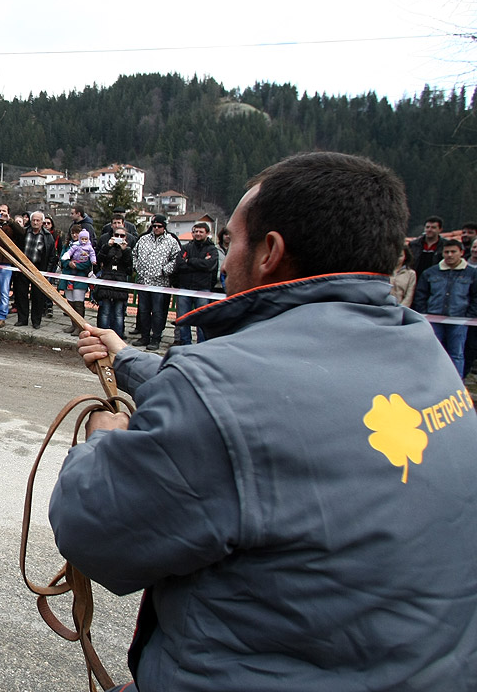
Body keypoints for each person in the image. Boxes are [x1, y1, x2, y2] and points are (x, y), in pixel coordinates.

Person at [53, 152, 477, 692]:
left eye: (231, 242)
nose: (225, 261)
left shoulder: (222, 386)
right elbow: (262, 414)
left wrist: (101, 442)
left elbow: (93, 529)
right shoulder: (424, 351)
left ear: (270, 252)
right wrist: (127, 358)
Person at [413, 238, 477, 378]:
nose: (449, 255)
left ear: (461, 252)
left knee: (457, 354)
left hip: (459, 320)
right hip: (433, 319)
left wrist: (468, 316)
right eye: (446, 252)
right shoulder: (430, 272)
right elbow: (421, 294)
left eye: (453, 252)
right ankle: (430, 381)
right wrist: (424, 312)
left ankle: (456, 384)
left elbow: (475, 297)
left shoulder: (472, 274)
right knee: (432, 352)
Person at [132, 213, 180, 351]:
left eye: (159, 226)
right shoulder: (143, 239)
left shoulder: (171, 241)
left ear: (164, 227)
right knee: (143, 311)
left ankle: (156, 338)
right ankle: (144, 336)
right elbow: (134, 253)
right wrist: (137, 267)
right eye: (154, 226)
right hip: (143, 281)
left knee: (158, 312)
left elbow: (177, 258)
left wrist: (166, 270)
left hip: (160, 284)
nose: (156, 228)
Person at [172, 222, 219, 345]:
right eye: (195, 231)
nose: (197, 234)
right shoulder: (186, 247)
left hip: (203, 289)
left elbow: (209, 266)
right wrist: (199, 264)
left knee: (202, 319)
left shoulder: (212, 249)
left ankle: (202, 345)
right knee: (183, 318)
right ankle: (185, 343)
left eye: (201, 232)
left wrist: (190, 261)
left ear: (207, 233)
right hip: (185, 287)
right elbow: (180, 264)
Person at [14, 210, 56, 329]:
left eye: (38, 220)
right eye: (33, 220)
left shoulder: (48, 237)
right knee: (21, 294)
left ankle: (36, 321)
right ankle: (22, 319)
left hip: (39, 268)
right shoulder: (24, 232)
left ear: (42, 222)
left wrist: (47, 272)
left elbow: (52, 256)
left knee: (37, 296)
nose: (35, 222)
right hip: (23, 268)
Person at [93, 222, 134, 337]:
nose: (119, 238)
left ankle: (118, 336)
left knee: (118, 313)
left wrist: (125, 251)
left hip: (120, 283)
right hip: (106, 281)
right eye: (117, 235)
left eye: (122, 236)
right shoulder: (107, 247)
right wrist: (107, 246)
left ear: (125, 237)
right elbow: (98, 260)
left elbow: (129, 269)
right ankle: (103, 335)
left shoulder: (128, 250)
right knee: (104, 311)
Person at [60, 226, 96, 334]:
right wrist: (68, 263)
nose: (75, 235)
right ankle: (73, 324)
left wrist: (77, 266)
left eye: (77, 233)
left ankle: (80, 326)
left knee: (78, 302)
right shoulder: (68, 245)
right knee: (70, 302)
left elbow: (89, 261)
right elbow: (62, 258)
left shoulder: (87, 247)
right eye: (73, 233)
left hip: (80, 277)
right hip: (68, 277)